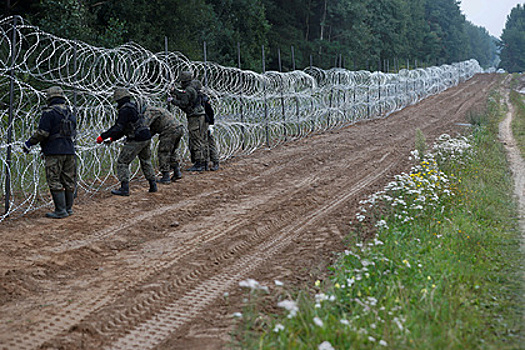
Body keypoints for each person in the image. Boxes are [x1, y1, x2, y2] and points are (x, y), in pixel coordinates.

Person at [22, 86, 77, 219]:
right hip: (69, 150)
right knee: (68, 180)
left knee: (54, 179)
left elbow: (43, 132)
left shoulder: (49, 113)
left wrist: (29, 143)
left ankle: (60, 210)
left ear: (49, 98)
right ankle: (68, 209)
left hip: (54, 151)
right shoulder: (70, 113)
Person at [96, 87, 157, 196]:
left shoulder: (125, 110)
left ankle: (124, 188)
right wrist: (112, 138)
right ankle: (153, 185)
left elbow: (118, 127)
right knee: (145, 160)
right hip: (146, 136)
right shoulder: (133, 107)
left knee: (122, 162)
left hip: (137, 139)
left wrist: (103, 136)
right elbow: (126, 128)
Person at [169, 71, 207, 172]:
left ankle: (199, 163)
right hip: (199, 115)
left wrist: (172, 101)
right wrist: (175, 91)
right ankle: (204, 162)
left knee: (196, 138)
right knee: (200, 138)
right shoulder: (192, 87)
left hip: (195, 116)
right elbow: (183, 95)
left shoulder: (188, 89)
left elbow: (184, 103)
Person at [142, 104, 184, 183]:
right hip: (179, 128)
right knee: (172, 152)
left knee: (163, 152)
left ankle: (166, 176)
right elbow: (153, 130)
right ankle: (177, 171)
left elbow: (144, 126)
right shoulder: (157, 110)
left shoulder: (149, 112)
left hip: (169, 131)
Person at [191, 80, 219, 171]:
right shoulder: (197, 97)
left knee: (208, 142)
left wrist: (211, 125)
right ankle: (206, 163)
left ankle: (215, 162)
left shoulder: (202, 98)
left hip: (205, 122)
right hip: (202, 122)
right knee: (204, 142)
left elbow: (210, 112)